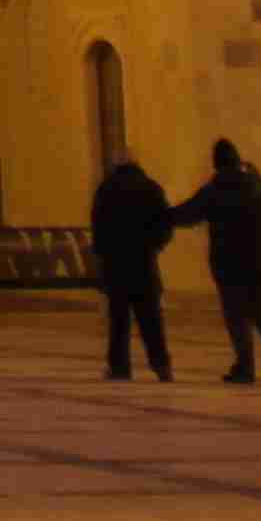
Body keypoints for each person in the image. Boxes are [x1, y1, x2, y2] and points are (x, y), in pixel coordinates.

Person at [190, 138, 261, 384]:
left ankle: (246, 366)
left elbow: (187, 213)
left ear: (216, 163)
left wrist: (154, 218)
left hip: (228, 263)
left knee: (236, 315)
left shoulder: (215, 189)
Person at [90, 148, 176, 380]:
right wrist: (154, 246)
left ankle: (119, 367)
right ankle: (161, 365)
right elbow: (165, 224)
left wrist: (103, 257)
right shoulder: (151, 188)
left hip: (116, 265)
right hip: (144, 262)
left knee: (119, 320)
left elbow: (98, 229)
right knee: (151, 318)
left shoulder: (106, 189)